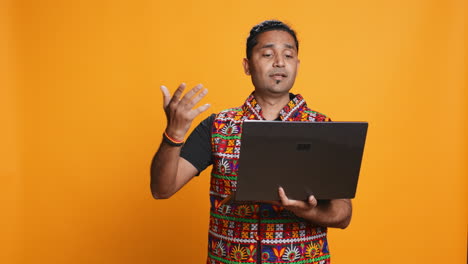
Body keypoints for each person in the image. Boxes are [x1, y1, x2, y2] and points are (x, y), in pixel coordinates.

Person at [150, 20, 352, 264]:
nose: (279, 61)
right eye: (267, 54)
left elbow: (343, 214)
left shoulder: (322, 128)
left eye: (288, 54)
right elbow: (162, 189)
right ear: (247, 66)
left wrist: (307, 210)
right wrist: (174, 134)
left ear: (297, 65)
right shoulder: (217, 126)